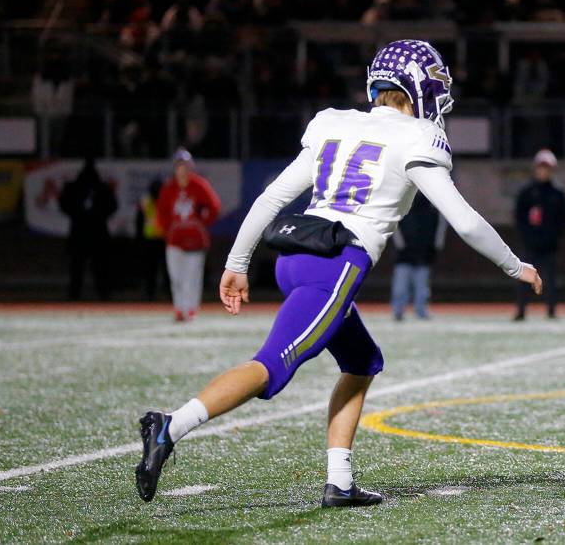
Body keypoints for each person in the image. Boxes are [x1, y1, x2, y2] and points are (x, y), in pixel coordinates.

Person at [135, 39, 542, 507]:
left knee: (362, 362)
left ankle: (340, 482)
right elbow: (466, 221)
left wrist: (237, 262)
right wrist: (517, 266)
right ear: (415, 90)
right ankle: (171, 425)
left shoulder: (336, 123)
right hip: (336, 265)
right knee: (271, 367)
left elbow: (271, 198)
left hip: (297, 255)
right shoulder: (416, 138)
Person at [156, 150, 221, 322]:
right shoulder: (168, 188)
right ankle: (179, 308)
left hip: (195, 239)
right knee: (176, 276)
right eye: (179, 165)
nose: (182, 169)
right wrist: (167, 230)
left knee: (192, 276)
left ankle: (190, 308)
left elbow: (214, 207)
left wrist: (202, 223)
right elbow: (161, 213)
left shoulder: (199, 185)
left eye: (185, 165)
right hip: (175, 240)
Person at [514, 149, 565, 321]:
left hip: (549, 245)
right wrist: (528, 236)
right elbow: (519, 217)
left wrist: (554, 236)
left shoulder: (558, 194)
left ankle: (551, 310)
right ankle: (521, 310)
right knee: (524, 278)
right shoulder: (527, 193)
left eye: (547, 168)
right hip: (531, 244)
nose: (543, 171)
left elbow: (564, 218)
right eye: (541, 167)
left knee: (551, 279)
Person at [58, 158, 118, 300]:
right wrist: (84, 214)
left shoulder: (97, 188)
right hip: (89, 233)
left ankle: (94, 294)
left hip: (88, 233)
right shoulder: (84, 188)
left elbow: (112, 206)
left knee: (92, 268)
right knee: (82, 268)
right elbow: (64, 204)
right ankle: (93, 294)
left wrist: (89, 215)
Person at [390, 194, 445, 321]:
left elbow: (439, 227)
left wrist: (435, 245)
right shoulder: (404, 204)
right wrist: (400, 244)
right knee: (401, 286)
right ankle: (398, 310)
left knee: (422, 286)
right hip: (405, 253)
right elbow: (395, 224)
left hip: (424, 252)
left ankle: (421, 310)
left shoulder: (432, 207)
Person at [134, 179, 166, 300]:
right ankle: (150, 294)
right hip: (149, 240)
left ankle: (168, 294)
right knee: (150, 270)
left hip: (163, 240)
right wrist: (139, 239)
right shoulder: (145, 202)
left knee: (167, 270)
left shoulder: (165, 200)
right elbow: (139, 221)